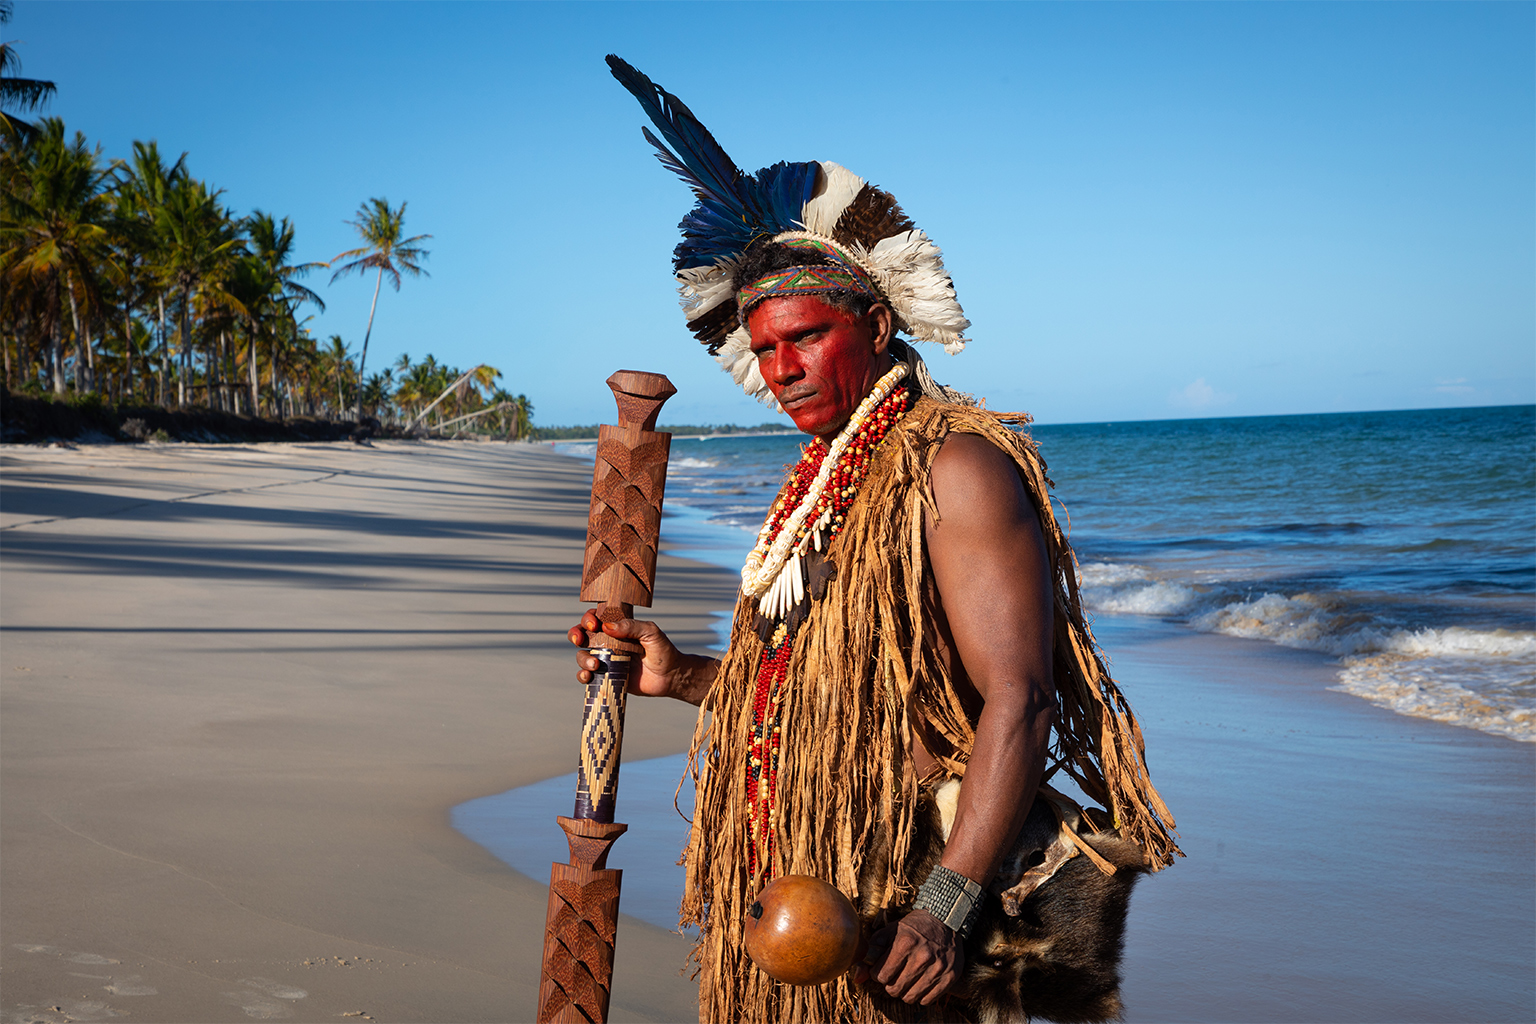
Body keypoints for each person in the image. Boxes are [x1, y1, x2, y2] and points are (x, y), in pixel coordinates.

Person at [569, 58, 1179, 1023]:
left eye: (805, 337)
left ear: (878, 322)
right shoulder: (818, 480)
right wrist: (681, 673)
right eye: (764, 350)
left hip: (899, 915)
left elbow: (1018, 699)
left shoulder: (954, 466)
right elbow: (813, 697)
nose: (782, 369)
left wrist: (944, 909)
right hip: (790, 901)